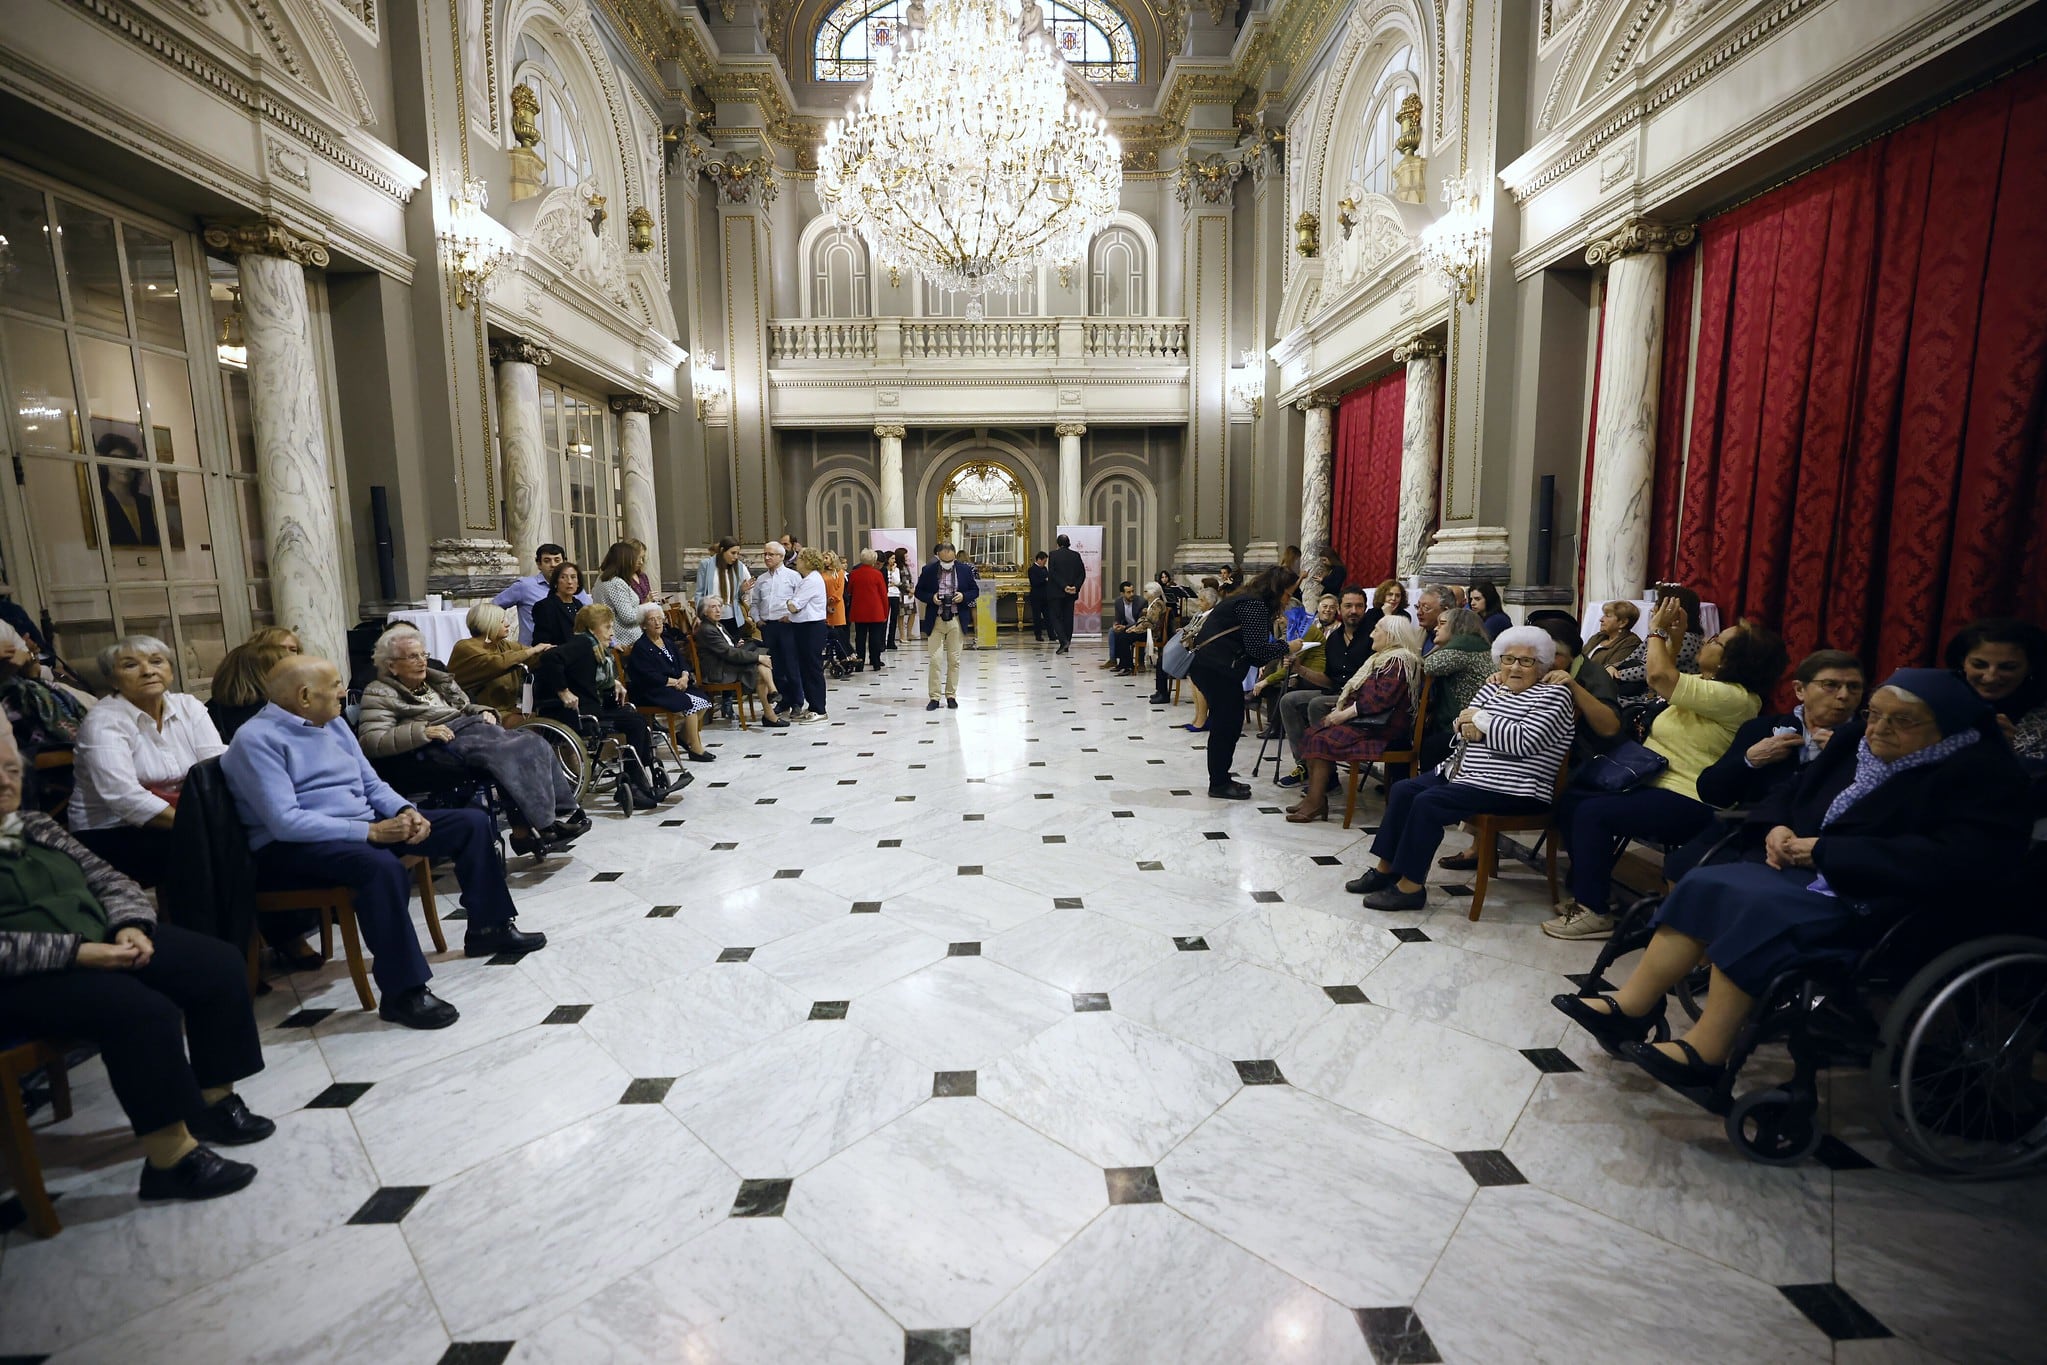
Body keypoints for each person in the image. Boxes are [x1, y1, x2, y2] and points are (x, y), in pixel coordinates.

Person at [1554, 669, 2030, 1096]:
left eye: (1902, 722)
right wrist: (1778, 827)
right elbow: (1789, 793)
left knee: (1761, 911)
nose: (1879, 729)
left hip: (1885, 901)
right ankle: (1633, 1006)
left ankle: (1707, 1053)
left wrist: (1824, 851)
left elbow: (1953, 860)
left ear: (1947, 728)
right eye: (1876, 715)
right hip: (1806, 872)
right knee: (1706, 885)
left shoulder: (1981, 778)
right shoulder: (1851, 744)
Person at [0, 726, 273, 1203]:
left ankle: (213, 1101)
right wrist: (78, 952)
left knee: (217, 964)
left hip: (99, 940)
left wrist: (129, 925)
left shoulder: (32, 825)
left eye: (8, 769)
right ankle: (171, 1158)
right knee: (142, 1011)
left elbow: (110, 879)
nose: (6, 782)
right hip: (26, 972)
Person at [222, 656, 546, 1029]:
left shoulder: (333, 724)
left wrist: (407, 811)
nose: (344, 693)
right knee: (381, 867)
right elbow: (285, 822)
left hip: (356, 826)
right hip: (293, 847)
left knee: (470, 823)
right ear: (305, 696)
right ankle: (403, 991)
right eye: (335, 687)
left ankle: (490, 929)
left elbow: (372, 784)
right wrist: (372, 833)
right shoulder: (256, 740)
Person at [1545, 604, 1788, 941]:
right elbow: (1664, 674)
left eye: (1717, 641)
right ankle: (1595, 891)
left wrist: (1656, 630)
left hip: (1692, 797)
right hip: (1652, 781)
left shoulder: (1735, 697)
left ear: (1732, 661)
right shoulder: (1706, 685)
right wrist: (1672, 638)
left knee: (1593, 813)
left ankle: (1594, 911)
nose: (1707, 641)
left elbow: (1660, 677)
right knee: (1573, 798)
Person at [1346, 626, 1580, 906]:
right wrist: (1475, 723)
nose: (1515, 667)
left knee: (1428, 802)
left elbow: (1523, 742)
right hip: (1466, 774)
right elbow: (1460, 723)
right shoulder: (1495, 686)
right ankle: (1387, 869)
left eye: (1526, 661)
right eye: (1508, 659)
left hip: (1514, 786)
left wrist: (1482, 722)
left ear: (1541, 665)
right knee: (1404, 790)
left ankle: (1411, 888)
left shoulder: (1553, 696)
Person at [356, 625, 587, 858]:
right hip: (437, 745)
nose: (422, 661)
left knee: (533, 742)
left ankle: (549, 819)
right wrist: (423, 731)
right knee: (511, 752)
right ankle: (538, 827)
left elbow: (464, 707)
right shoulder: (379, 692)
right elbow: (371, 740)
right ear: (391, 665)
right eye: (412, 657)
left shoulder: (437, 680)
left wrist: (485, 711)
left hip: (470, 729)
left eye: (423, 655)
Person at [68, 635, 226, 888]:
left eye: (156, 662)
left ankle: (249, 924)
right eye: (131, 665)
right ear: (112, 680)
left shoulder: (188, 707)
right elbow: (124, 797)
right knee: (211, 850)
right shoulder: (104, 721)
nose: (148, 671)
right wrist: (196, 824)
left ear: (171, 672)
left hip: (179, 819)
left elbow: (217, 766)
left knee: (245, 837)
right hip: (111, 830)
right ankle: (202, 926)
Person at [1283, 616, 1426, 823]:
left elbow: (1379, 700)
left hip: (1384, 730)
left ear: (1391, 636)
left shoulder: (1398, 661)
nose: (1371, 634)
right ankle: (1316, 798)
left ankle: (1315, 801)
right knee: (1314, 732)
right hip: (1369, 723)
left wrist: (1342, 715)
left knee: (1321, 739)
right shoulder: (1384, 658)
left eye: (1376, 630)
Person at [1694, 649, 1865, 810]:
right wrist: (1749, 760)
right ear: (1799, 690)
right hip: (1753, 830)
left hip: (1822, 836)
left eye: (1854, 687)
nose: (1844, 695)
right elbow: (1711, 794)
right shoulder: (1761, 729)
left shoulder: (1867, 740)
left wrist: (1844, 761)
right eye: (1830, 685)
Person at [1187, 567, 1297, 800]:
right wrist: (1288, 646)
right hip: (1217, 670)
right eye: (1287, 595)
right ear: (1276, 591)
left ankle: (1221, 778)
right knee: (1225, 726)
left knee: (1226, 724)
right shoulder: (1254, 605)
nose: (1288, 601)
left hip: (1214, 667)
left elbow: (1254, 652)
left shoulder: (1246, 600)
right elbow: (1257, 650)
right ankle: (1218, 783)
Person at [532, 604, 666, 773]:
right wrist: (563, 691)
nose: (612, 633)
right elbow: (551, 658)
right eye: (607, 627)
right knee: (636, 723)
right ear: (592, 628)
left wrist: (613, 683)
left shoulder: (594, 647)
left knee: (637, 720)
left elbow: (588, 674)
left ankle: (641, 773)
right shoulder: (582, 644)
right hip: (582, 711)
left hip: (594, 705)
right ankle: (636, 776)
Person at [1275, 588, 1378, 788]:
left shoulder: (1374, 635)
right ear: (1341, 608)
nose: (1354, 611)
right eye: (1348, 606)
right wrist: (1300, 669)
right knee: (1288, 701)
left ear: (1365, 608)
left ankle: (1328, 775)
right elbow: (1329, 681)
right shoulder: (1334, 639)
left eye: (1359, 606)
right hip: (1335, 691)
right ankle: (1305, 765)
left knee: (1317, 704)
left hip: (1359, 697)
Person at [1945, 617, 2047, 761]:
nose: (1990, 677)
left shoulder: (2042, 721)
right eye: (1979, 665)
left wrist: (2006, 753)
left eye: (2008, 667)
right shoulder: (1936, 701)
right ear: (1963, 662)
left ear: (2030, 667)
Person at [625, 603, 716, 762]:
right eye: (652, 619)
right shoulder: (642, 647)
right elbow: (647, 676)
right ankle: (696, 749)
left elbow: (682, 663)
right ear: (643, 625)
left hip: (676, 685)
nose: (657, 622)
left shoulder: (667, 641)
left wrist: (685, 676)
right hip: (653, 690)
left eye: (659, 618)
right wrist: (674, 682)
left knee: (704, 700)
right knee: (690, 704)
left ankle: (683, 736)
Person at [1611, 586, 1704, 734]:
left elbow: (1650, 670)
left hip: (1659, 699)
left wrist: (1617, 675)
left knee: (1604, 702)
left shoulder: (1687, 639)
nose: (1654, 610)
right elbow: (1633, 657)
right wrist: (1612, 667)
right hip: (1641, 690)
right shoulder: (1658, 634)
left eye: (1658, 605)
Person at [1418, 607, 1496, 769]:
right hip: (1477, 721)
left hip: (1466, 727)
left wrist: (1436, 648)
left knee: (1428, 744)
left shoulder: (1463, 646)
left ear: (1458, 627)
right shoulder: (1477, 645)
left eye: (1442, 624)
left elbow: (1430, 665)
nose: (1435, 628)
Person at [447, 602, 553, 715]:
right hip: (478, 712)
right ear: (487, 624)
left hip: (507, 709)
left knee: (548, 714)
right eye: (502, 621)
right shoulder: (465, 647)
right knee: (535, 723)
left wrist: (555, 652)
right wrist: (533, 650)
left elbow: (532, 657)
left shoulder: (502, 644)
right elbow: (497, 663)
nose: (507, 624)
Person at [0, 621, 89, 756]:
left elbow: (33, 671)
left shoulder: (2, 626)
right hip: (11, 709)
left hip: (25, 692)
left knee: (86, 702)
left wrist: (28, 656)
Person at [697, 596, 782, 726]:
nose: (718, 610)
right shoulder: (707, 629)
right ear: (704, 612)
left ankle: (771, 703)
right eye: (713, 607)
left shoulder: (718, 625)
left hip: (727, 662)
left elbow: (728, 648)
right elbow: (727, 652)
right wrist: (757, 657)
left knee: (760, 663)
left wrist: (736, 645)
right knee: (760, 662)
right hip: (718, 670)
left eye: (719, 606)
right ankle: (771, 701)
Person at [915, 542, 979, 711]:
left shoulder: (964, 570)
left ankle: (951, 695)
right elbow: (919, 591)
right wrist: (932, 597)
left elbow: (975, 590)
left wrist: (963, 596)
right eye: (944, 561)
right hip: (935, 620)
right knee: (935, 660)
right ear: (938, 557)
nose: (947, 564)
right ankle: (934, 697)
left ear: (955, 556)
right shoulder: (928, 570)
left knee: (954, 660)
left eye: (950, 561)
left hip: (957, 620)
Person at [749, 542, 803, 717]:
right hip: (768, 626)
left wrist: (792, 617)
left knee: (791, 664)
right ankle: (783, 701)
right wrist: (757, 620)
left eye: (771, 554)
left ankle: (797, 701)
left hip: (787, 626)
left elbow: (800, 601)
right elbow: (754, 603)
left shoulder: (793, 576)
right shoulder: (762, 580)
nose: (767, 557)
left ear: (781, 556)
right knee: (776, 666)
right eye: (765, 554)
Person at [495, 544, 586, 646]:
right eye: (547, 561)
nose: (553, 565)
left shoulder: (574, 589)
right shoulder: (525, 586)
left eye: (557, 560)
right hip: (534, 650)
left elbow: (590, 616)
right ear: (539, 564)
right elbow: (493, 607)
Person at [785, 548, 832, 722]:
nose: (797, 562)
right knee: (805, 668)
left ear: (808, 561)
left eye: (800, 559)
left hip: (811, 628)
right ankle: (812, 705)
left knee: (812, 668)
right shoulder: (807, 580)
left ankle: (819, 709)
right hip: (803, 627)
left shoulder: (811, 580)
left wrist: (787, 602)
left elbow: (794, 606)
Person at [594, 541, 649, 647]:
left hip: (619, 638)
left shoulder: (602, 579)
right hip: (626, 641)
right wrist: (649, 608)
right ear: (625, 561)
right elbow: (629, 617)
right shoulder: (616, 583)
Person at [695, 537, 754, 632]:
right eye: (733, 553)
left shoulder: (738, 567)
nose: (736, 557)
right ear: (722, 550)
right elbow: (700, 592)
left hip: (733, 617)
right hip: (712, 617)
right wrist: (699, 615)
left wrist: (742, 590)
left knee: (734, 645)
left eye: (738, 553)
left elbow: (736, 597)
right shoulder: (706, 565)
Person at [848, 550, 891, 672]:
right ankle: (876, 662)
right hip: (875, 610)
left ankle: (860, 663)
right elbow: (883, 594)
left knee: (860, 638)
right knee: (875, 638)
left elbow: (850, 590)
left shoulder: (854, 573)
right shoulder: (877, 574)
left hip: (859, 609)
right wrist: (885, 611)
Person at [532, 560, 588, 648]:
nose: (569, 582)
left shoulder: (578, 605)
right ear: (555, 582)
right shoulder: (544, 606)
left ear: (578, 583)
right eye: (563, 577)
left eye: (573, 577)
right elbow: (541, 641)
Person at [1046, 534, 1085, 654]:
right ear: (1069, 543)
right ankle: (1067, 643)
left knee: (1055, 617)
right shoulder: (1076, 555)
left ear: (1057, 544)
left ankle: (1063, 641)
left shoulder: (1053, 555)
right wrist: (1075, 587)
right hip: (1071, 593)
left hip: (1057, 593)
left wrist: (1064, 586)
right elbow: (1082, 574)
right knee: (1068, 618)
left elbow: (1052, 574)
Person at [1584, 599, 1643, 674]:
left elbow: (1609, 670)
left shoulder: (1630, 642)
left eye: (1607, 616)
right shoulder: (1598, 637)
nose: (1601, 619)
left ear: (1623, 622)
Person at [1107, 580, 1144, 674]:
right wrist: (1116, 624)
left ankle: (1128, 665)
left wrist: (1125, 627)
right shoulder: (1118, 602)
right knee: (1114, 632)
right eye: (1128, 592)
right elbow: (1117, 618)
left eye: (1132, 591)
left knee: (1123, 636)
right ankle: (1119, 662)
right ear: (1122, 593)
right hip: (1127, 626)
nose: (1131, 594)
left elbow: (1140, 621)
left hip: (1139, 628)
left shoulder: (1141, 602)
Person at [1412, 583, 1457, 655]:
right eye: (1418, 607)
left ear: (1445, 611)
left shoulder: (1455, 641)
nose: (1419, 613)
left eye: (1426, 608)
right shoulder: (1418, 634)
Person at [822, 552, 850, 660]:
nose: (824, 560)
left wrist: (832, 599)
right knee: (828, 630)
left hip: (837, 605)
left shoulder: (839, 572)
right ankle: (829, 655)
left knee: (839, 630)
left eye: (826, 557)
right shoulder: (821, 573)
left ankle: (843, 656)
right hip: (824, 604)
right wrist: (824, 601)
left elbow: (840, 589)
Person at [885, 546, 907, 649]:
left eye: (894, 558)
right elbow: (886, 582)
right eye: (892, 558)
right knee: (885, 619)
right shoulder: (883, 569)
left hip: (894, 595)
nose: (894, 560)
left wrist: (893, 571)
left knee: (894, 618)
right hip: (886, 595)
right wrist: (890, 574)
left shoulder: (896, 569)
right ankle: (882, 641)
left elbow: (897, 582)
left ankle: (891, 641)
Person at [1028, 551, 1053, 642]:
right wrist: (1044, 579)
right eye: (1044, 561)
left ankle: (1051, 635)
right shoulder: (1032, 569)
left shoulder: (1045, 569)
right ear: (1039, 559)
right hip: (1036, 597)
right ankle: (1038, 635)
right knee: (1037, 617)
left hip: (1045, 597)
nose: (1045, 563)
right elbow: (1034, 582)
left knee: (1048, 617)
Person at [626, 538, 654, 604]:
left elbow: (650, 600)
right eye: (638, 558)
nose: (641, 562)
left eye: (642, 558)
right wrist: (645, 602)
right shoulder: (622, 579)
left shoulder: (642, 576)